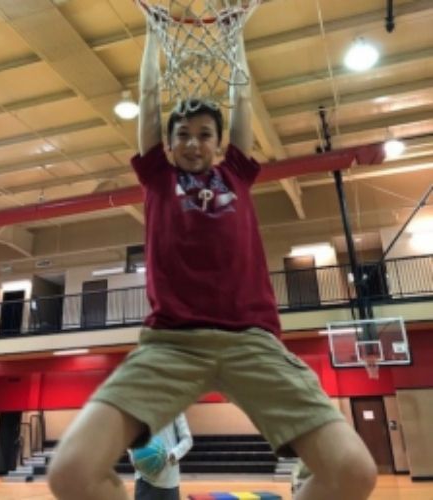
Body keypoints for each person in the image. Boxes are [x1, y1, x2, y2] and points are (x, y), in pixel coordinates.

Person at [47, 13, 377, 500]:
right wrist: (151, 31)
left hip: (252, 340)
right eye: (183, 134)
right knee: (71, 472)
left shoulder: (237, 175)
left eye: (204, 134)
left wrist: (233, 33)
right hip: (171, 343)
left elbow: (241, 97)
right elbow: (149, 103)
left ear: (219, 143)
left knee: (353, 473)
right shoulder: (159, 176)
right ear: (170, 142)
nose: (193, 142)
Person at [130, 413, 192, 500]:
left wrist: (173, 454)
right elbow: (130, 436)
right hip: (144, 479)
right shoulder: (140, 405)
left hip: (169, 480)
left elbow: (187, 440)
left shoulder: (176, 407)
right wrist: (134, 457)